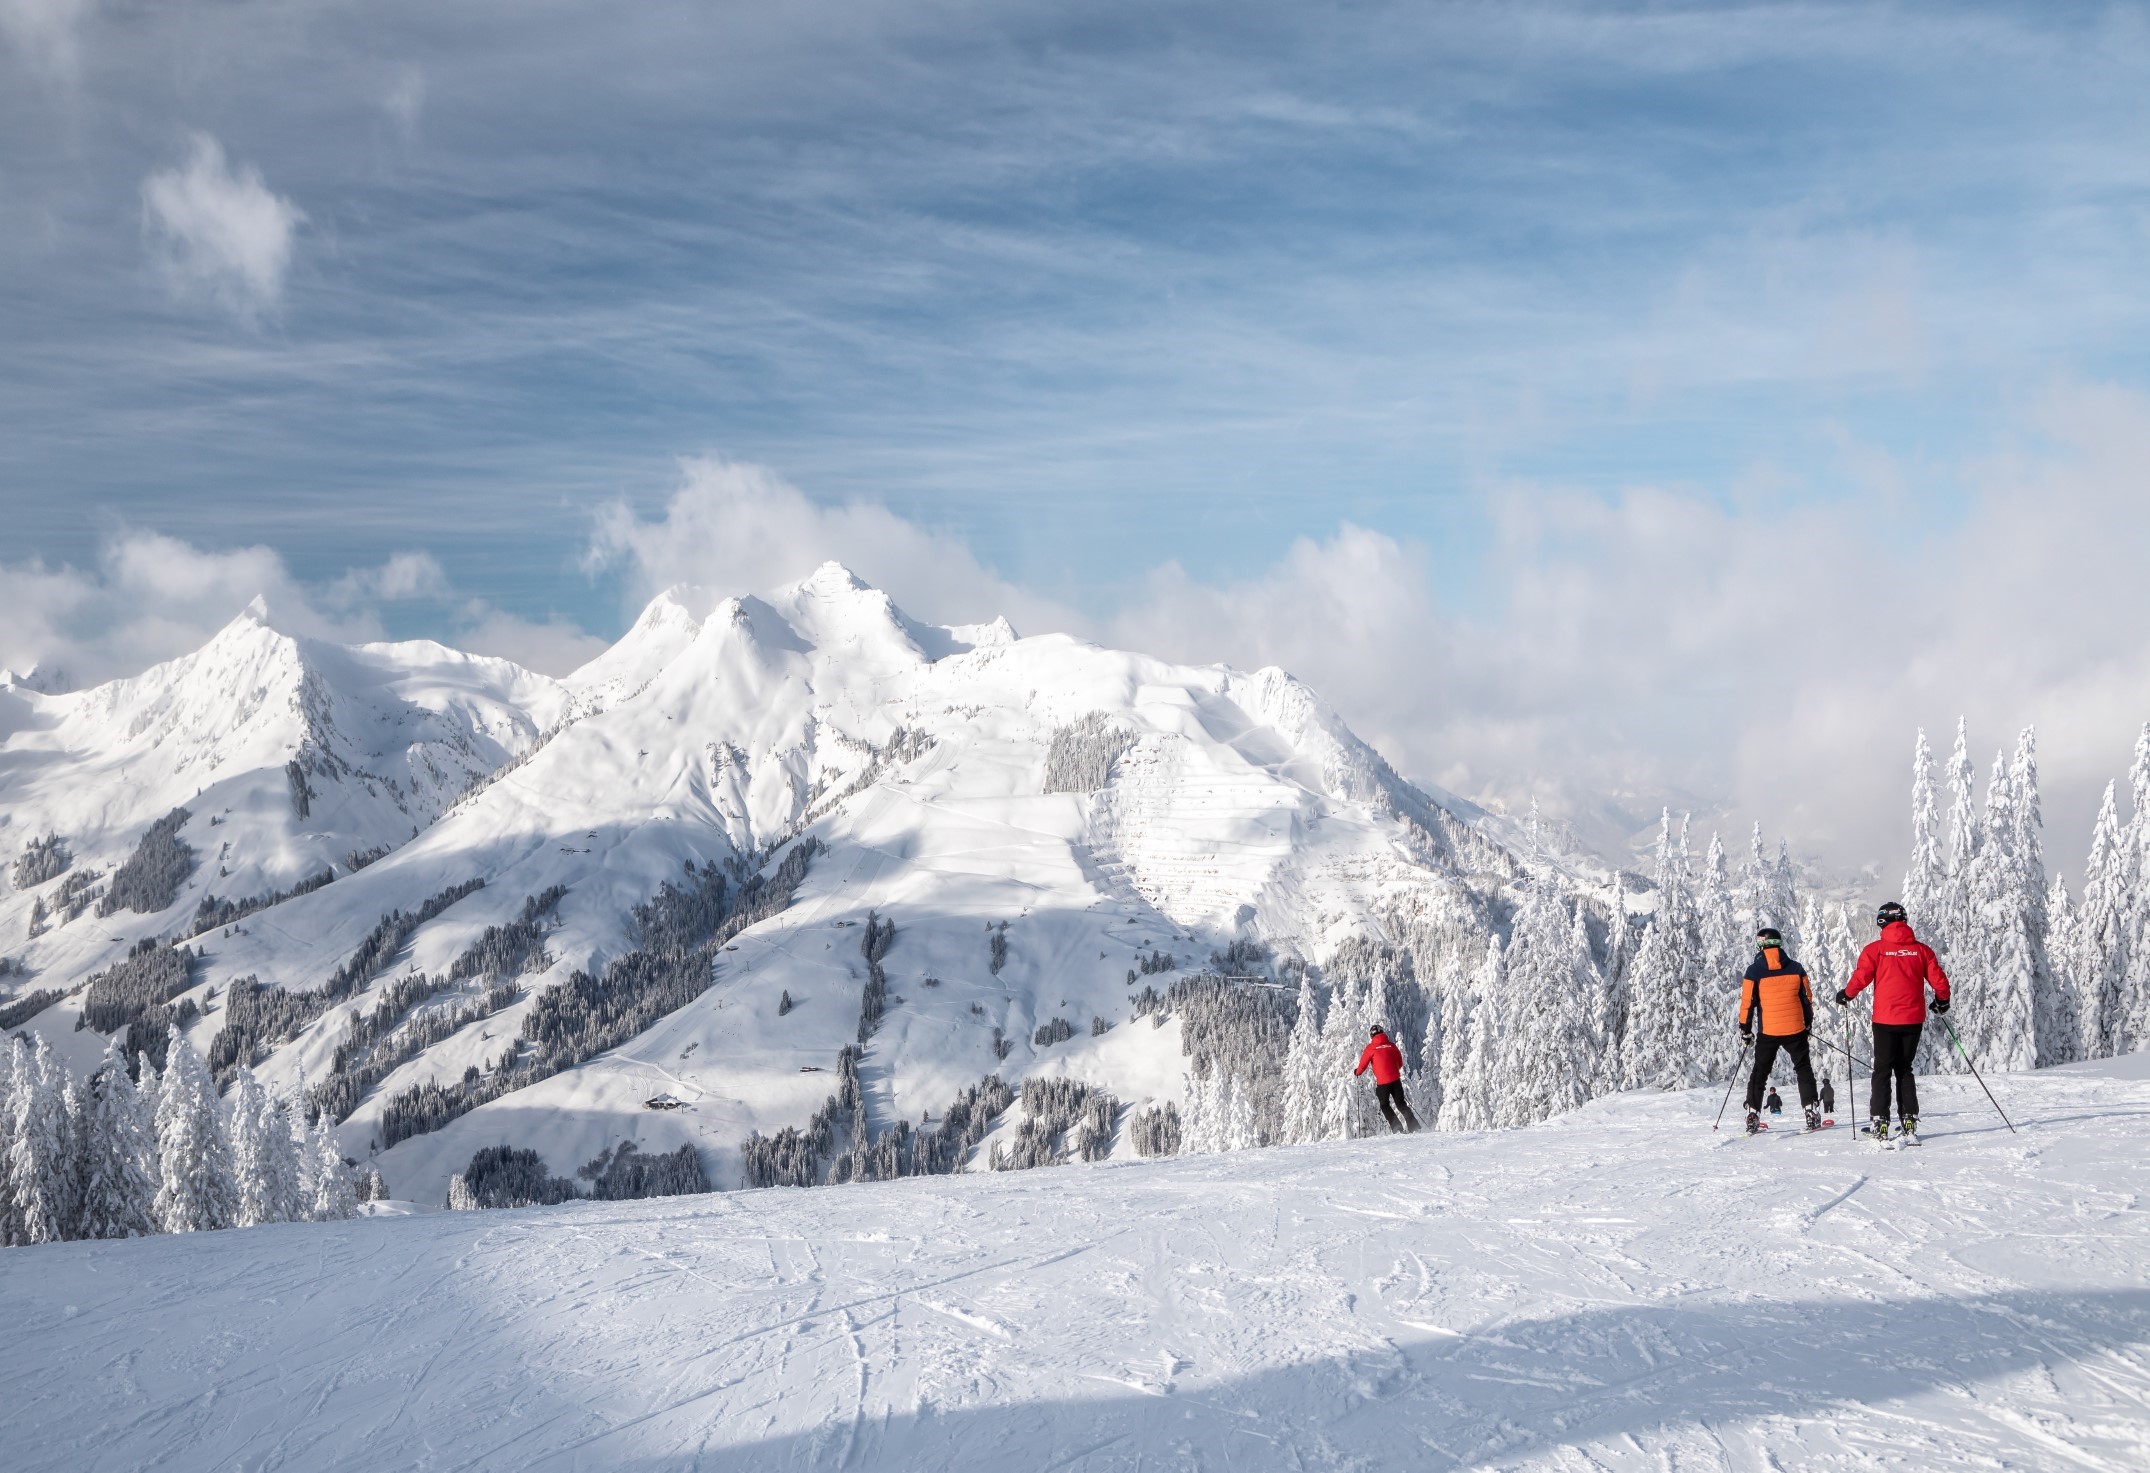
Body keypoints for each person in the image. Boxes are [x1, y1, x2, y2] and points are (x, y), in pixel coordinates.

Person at [1837, 900, 1951, 1145]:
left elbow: (1861, 977)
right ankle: (1909, 1118)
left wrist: (1846, 995)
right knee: (1904, 1069)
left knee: (1882, 1071)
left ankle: (1880, 1121)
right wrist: (1942, 1002)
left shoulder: (1875, 950)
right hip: (1913, 1020)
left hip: (1885, 1019)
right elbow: (1939, 981)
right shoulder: (1921, 950)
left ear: (1881, 922)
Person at [1738, 927, 1822, 1133]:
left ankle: (1753, 1114)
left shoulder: (1754, 972)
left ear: (1760, 945)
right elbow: (1806, 999)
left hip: (1769, 1031)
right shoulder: (1796, 968)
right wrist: (1807, 1023)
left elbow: (1747, 1004)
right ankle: (1810, 1111)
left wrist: (1745, 1030)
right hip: (1795, 1029)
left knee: (1760, 1072)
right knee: (1803, 1068)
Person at [1354, 1024, 1419, 1133]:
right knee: (1401, 1104)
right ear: (1383, 1033)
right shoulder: (1391, 1045)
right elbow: (1400, 1062)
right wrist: (1393, 1071)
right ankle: (1415, 1127)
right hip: (1396, 1081)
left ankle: (1397, 1128)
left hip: (1383, 1084)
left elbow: (1363, 1065)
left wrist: (1357, 1072)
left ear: (1371, 1035)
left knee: (1385, 1106)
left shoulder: (1370, 1048)